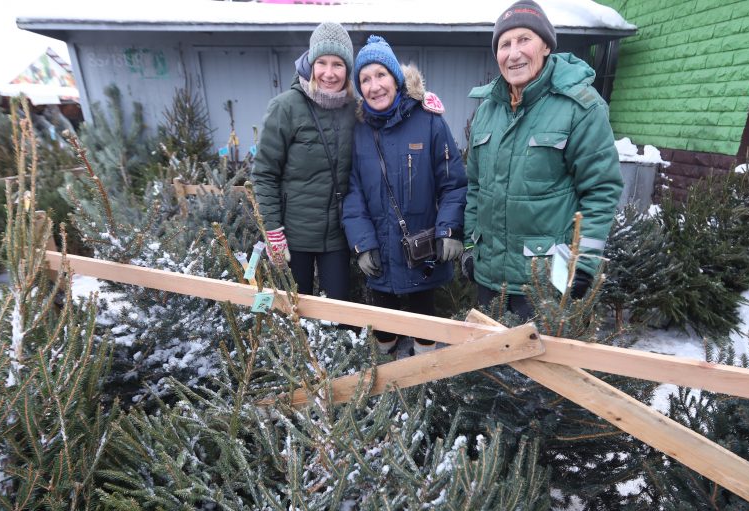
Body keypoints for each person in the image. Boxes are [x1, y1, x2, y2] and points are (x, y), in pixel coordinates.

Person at [461, 0, 624, 319]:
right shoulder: (487, 111)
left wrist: (582, 265)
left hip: (548, 279)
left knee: (538, 369)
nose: (514, 52)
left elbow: (601, 193)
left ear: (546, 45)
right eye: (505, 44)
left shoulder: (581, 109)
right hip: (490, 277)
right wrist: (469, 247)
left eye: (524, 39)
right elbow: (475, 189)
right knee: (490, 367)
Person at [343, 36, 467, 357]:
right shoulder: (358, 132)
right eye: (365, 79)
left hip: (422, 254)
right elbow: (352, 193)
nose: (374, 86)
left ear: (396, 79)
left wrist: (449, 231)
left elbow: (453, 183)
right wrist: (363, 244)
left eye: (380, 75)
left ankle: (424, 386)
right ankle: (387, 390)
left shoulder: (429, 122)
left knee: (425, 333)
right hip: (380, 256)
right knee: (384, 334)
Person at [252, 22, 356, 300]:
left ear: (348, 69)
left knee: (339, 311)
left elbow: (388, 103)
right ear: (310, 64)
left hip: (337, 236)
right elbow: (264, 173)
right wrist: (272, 229)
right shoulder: (286, 107)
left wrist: (419, 101)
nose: (329, 73)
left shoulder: (353, 109)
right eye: (321, 62)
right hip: (293, 235)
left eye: (338, 64)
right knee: (294, 309)